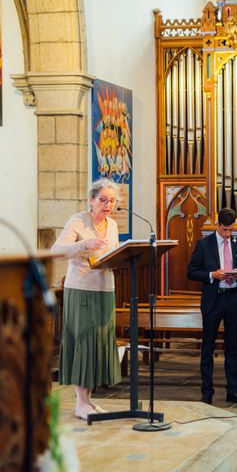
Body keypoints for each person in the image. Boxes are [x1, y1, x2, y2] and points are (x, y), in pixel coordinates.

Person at [52, 178, 122, 420]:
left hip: (105, 289)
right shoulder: (78, 220)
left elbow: (112, 253)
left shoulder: (112, 225)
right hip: (81, 287)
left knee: (98, 343)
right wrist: (84, 244)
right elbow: (56, 251)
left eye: (111, 201)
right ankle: (80, 402)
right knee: (83, 342)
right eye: (103, 200)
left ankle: (88, 401)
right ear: (91, 200)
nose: (107, 205)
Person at [187, 207, 237, 405]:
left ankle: (233, 390)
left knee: (232, 347)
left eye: (232, 229)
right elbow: (191, 272)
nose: (229, 234)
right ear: (217, 225)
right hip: (213, 299)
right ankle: (207, 391)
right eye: (225, 230)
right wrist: (211, 275)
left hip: (233, 298)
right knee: (207, 347)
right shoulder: (204, 244)